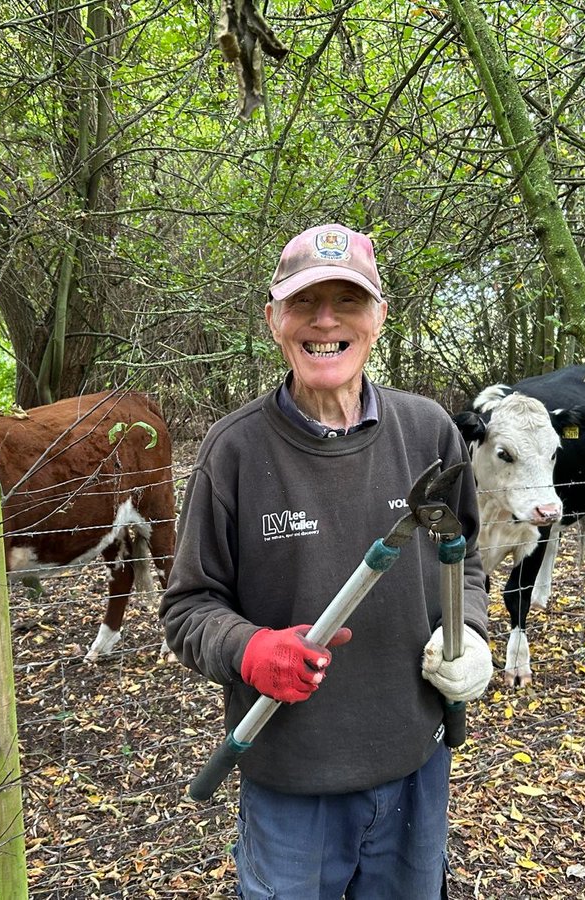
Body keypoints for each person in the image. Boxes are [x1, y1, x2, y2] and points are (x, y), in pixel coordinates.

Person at [161, 223, 493, 899]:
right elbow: (188, 608)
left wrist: (473, 634)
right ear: (273, 320)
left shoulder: (430, 431)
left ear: (378, 317)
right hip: (292, 782)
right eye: (305, 303)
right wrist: (249, 650)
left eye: (347, 301)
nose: (325, 322)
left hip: (416, 767)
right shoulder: (234, 453)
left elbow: (470, 558)